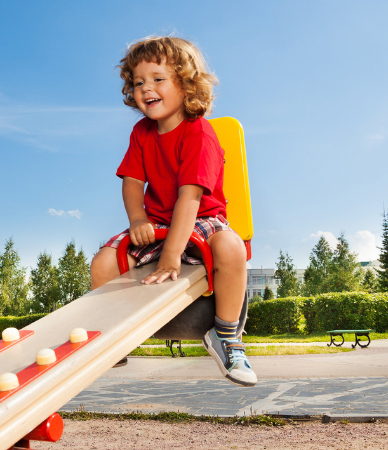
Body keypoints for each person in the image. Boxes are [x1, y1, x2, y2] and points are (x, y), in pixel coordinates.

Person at [90, 36, 256, 387]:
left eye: (158, 79)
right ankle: (114, 341)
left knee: (231, 248)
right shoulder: (141, 132)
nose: (145, 88)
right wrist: (138, 219)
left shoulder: (200, 134)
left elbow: (190, 198)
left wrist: (171, 257)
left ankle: (227, 336)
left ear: (186, 84)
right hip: (159, 222)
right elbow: (132, 182)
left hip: (202, 218)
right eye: (138, 82)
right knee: (103, 262)